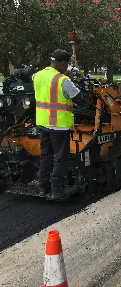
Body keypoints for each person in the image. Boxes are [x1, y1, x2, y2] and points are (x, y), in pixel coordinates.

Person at [33, 49, 83, 200]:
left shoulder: (37, 75)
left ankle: (43, 186)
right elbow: (78, 97)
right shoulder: (62, 80)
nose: (66, 67)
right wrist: (69, 79)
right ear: (62, 63)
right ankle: (57, 190)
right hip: (58, 125)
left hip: (42, 123)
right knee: (60, 157)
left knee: (46, 155)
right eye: (66, 64)